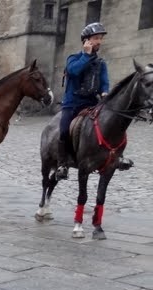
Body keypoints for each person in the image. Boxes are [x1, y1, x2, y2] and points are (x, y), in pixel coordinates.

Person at [55, 22, 132, 180]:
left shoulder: (101, 63)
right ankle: (63, 164)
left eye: (100, 38)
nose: (99, 42)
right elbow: (73, 71)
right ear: (86, 41)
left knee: (114, 122)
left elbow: (104, 82)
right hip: (73, 103)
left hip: (92, 103)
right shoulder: (74, 58)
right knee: (63, 130)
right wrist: (86, 55)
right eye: (96, 38)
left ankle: (118, 156)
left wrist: (105, 93)